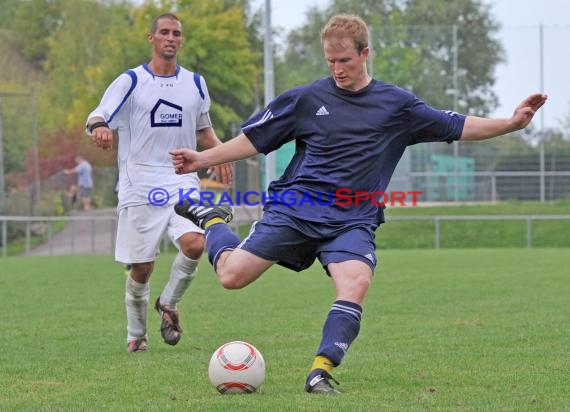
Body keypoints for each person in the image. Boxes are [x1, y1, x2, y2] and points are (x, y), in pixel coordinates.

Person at [171, 14, 547, 394]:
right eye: (330, 61)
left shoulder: (397, 106)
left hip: (352, 219)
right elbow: (257, 138)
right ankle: (215, 219)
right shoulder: (306, 99)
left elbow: (458, 124)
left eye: (344, 61)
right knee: (231, 277)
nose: (337, 69)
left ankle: (320, 371)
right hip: (297, 208)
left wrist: (511, 124)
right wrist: (204, 158)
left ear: (365, 53)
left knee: (356, 282)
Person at [85, 13, 232, 353]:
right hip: (140, 184)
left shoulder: (195, 83)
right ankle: (136, 335)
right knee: (142, 267)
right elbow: (98, 114)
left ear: (181, 41)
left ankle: (168, 303)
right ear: (151, 38)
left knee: (196, 244)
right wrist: (99, 129)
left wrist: (221, 154)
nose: (170, 38)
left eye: (176, 33)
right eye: (164, 32)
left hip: (182, 180)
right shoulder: (131, 81)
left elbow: (203, 131)